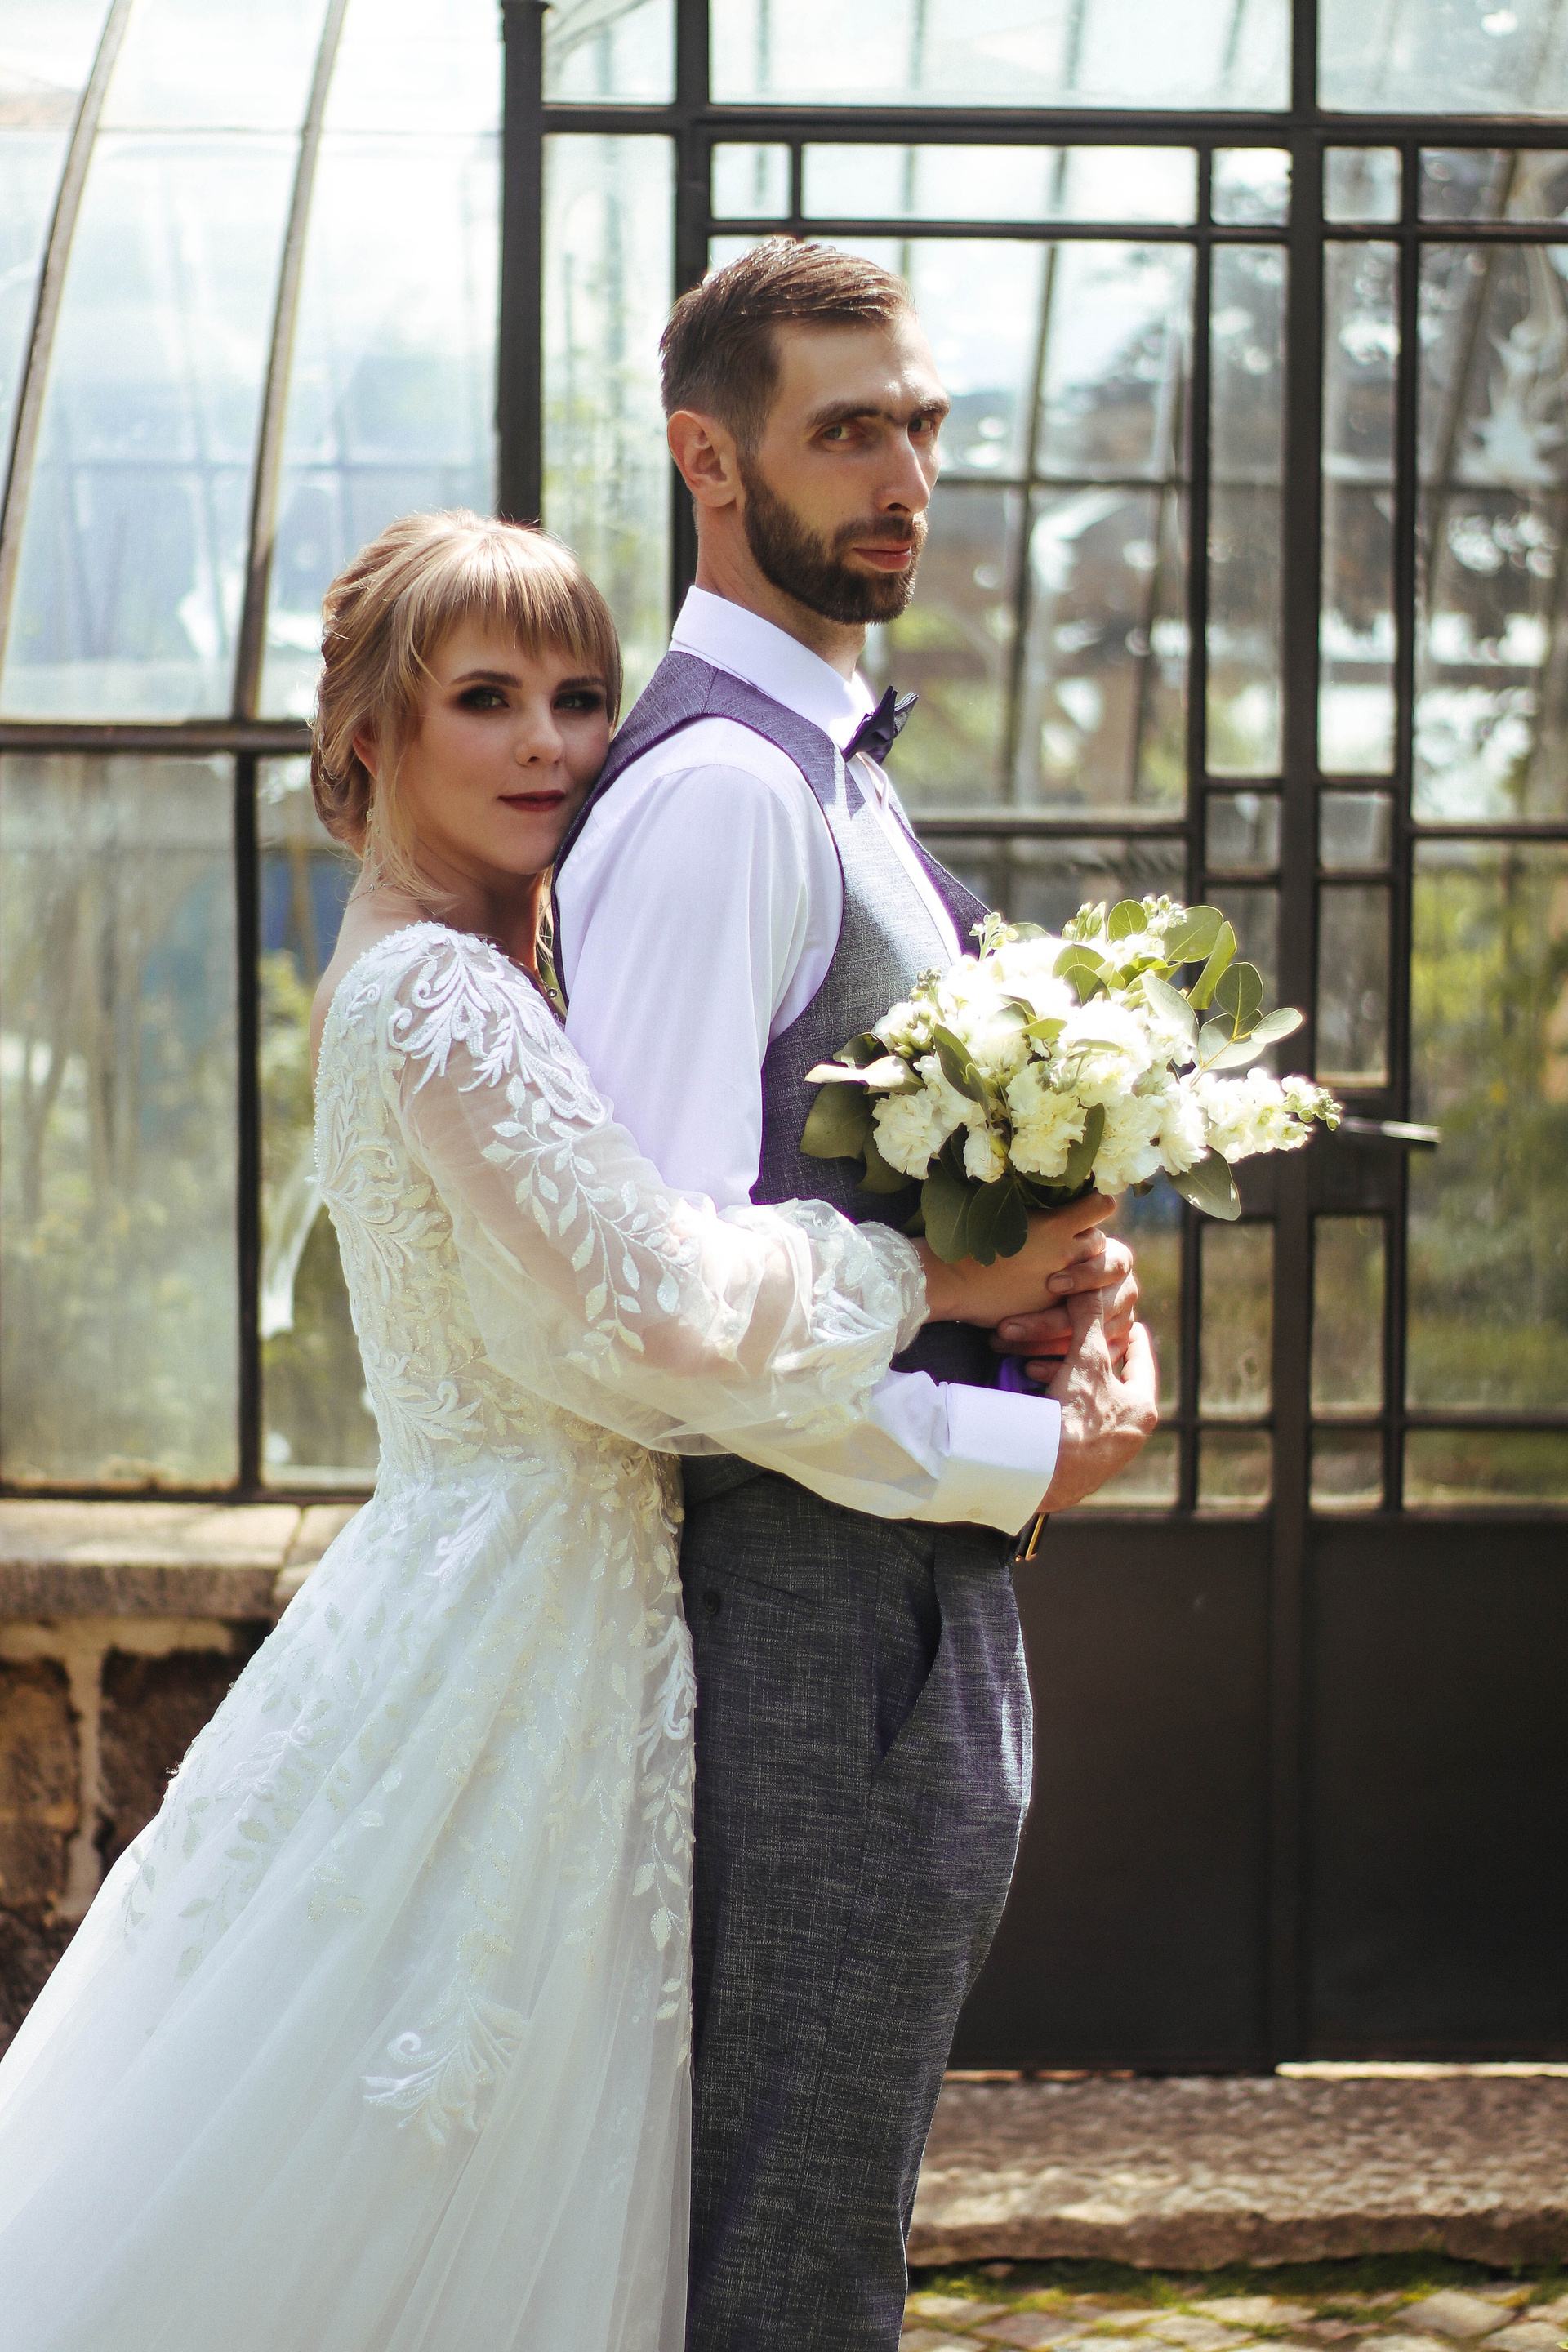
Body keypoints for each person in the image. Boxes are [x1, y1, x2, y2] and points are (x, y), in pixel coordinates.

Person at [0, 510, 1152, 2352]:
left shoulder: (468, 961)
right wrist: (943, 1273)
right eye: (486, 699)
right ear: (370, 733)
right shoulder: (444, 995)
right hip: (509, 1634)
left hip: (553, 1607)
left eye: (578, 696)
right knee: (432, 2173)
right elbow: (657, 1301)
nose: (548, 743)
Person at [550, 241, 1157, 2352]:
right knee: (785, 2262)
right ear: (709, 460)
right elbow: (658, 1322)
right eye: (848, 432)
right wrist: (1007, 1447)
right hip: (799, 1629)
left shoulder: (835, 772)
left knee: (828, 2230)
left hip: (895, 1606)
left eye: (923, 427)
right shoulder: (723, 798)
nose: (906, 478)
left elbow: (864, 1200)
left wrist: (1065, 1289)